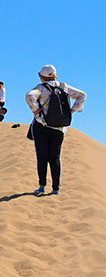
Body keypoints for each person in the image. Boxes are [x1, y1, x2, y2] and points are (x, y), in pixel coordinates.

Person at [26, 64, 86, 195]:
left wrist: (35, 110)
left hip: (41, 125)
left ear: (43, 76)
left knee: (42, 156)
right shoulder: (64, 86)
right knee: (55, 157)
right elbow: (82, 95)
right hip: (59, 127)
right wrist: (72, 111)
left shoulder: (40, 88)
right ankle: (55, 188)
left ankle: (42, 186)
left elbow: (29, 96)